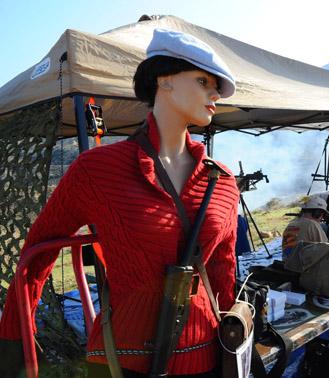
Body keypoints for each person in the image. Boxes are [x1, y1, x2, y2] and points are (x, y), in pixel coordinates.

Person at [0, 29, 240, 377]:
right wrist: (13, 346)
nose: (215, 93)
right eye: (204, 81)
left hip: (206, 356)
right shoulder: (97, 170)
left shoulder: (222, 180)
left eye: (217, 86)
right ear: (165, 80)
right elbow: (37, 250)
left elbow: (223, 268)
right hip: (120, 360)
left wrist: (233, 331)